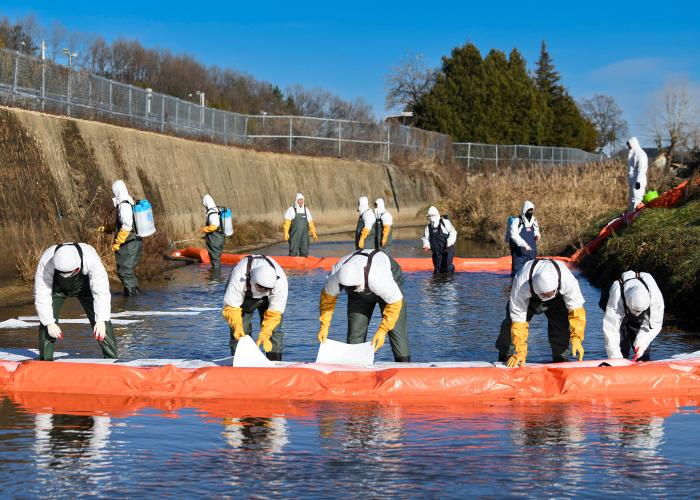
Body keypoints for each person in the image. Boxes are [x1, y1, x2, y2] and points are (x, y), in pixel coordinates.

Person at [317, 249, 411, 362]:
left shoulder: (379, 279)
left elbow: (395, 302)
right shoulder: (336, 274)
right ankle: (355, 366)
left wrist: (382, 330)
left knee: (396, 330)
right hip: (359, 288)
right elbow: (327, 299)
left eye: (352, 288)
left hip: (388, 277)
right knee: (355, 333)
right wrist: (324, 326)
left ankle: (403, 363)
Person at [34, 242, 118, 361]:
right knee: (47, 323)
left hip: (86, 289)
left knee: (102, 323)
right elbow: (42, 293)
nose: (65, 277)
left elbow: (101, 292)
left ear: (77, 268)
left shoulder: (90, 257)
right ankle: (45, 361)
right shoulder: (47, 260)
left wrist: (101, 320)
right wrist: (49, 323)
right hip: (57, 290)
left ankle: (112, 359)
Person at [496, 258, 586, 366]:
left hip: (558, 300)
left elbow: (576, 311)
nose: (546, 297)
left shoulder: (567, 279)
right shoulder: (521, 284)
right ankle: (505, 359)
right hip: (529, 300)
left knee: (561, 330)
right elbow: (518, 320)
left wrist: (577, 338)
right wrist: (520, 349)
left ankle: (561, 361)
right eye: (544, 295)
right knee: (509, 328)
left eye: (549, 294)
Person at [222, 254, 288, 361]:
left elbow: (275, 312)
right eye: (260, 287)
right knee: (240, 330)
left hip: (269, 300)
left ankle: (275, 363)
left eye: (266, 288)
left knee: (274, 332)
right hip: (244, 298)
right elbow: (232, 307)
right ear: (253, 279)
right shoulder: (239, 277)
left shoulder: (281, 282)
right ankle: (241, 363)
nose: (262, 290)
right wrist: (237, 326)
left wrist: (266, 332)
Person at [602, 271, 664, 361]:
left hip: (642, 314)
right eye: (635, 310)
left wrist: (641, 344)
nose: (636, 314)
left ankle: (642, 362)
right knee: (620, 347)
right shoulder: (617, 295)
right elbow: (611, 329)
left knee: (643, 353)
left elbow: (654, 324)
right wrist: (615, 357)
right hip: (613, 302)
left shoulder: (655, 297)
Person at [111, 180, 143, 296]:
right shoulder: (129, 201)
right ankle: (136, 296)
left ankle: (130, 302)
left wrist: (118, 242)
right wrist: (108, 228)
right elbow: (125, 222)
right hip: (135, 241)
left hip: (129, 243)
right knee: (129, 271)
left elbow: (127, 225)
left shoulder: (124, 204)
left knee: (125, 272)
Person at [508, 200, 541, 277]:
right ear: (524, 210)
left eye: (532, 211)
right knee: (517, 275)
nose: (531, 212)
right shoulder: (517, 221)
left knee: (531, 275)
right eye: (529, 210)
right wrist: (524, 244)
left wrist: (537, 235)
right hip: (519, 253)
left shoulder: (534, 220)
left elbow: (536, 231)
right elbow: (514, 235)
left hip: (532, 252)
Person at [421, 206, 457, 274]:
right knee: (437, 271)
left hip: (447, 250)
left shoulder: (445, 223)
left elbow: (453, 233)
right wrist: (426, 245)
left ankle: (451, 270)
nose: (431, 218)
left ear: (437, 215)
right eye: (430, 216)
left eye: (433, 215)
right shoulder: (428, 227)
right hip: (436, 253)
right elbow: (425, 238)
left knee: (446, 269)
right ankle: (437, 284)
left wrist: (449, 241)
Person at [201, 194, 226, 269]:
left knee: (215, 259)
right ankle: (216, 275)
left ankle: (215, 278)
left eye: (204, 204)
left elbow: (214, 225)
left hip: (215, 240)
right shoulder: (217, 210)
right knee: (216, 258)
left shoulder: (212, 213)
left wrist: (204, 229)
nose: (204, 206)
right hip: (219, 238)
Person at [627, 137, 648, 214]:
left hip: (638, 182)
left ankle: (636, 218)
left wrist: (638, 181)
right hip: (633, 182)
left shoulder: (640, 154)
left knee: (637, 200)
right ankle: (631, 216)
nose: (628, 147)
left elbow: (641, 169)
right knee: (632, 201)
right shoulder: (633, 154)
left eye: (629, 145)